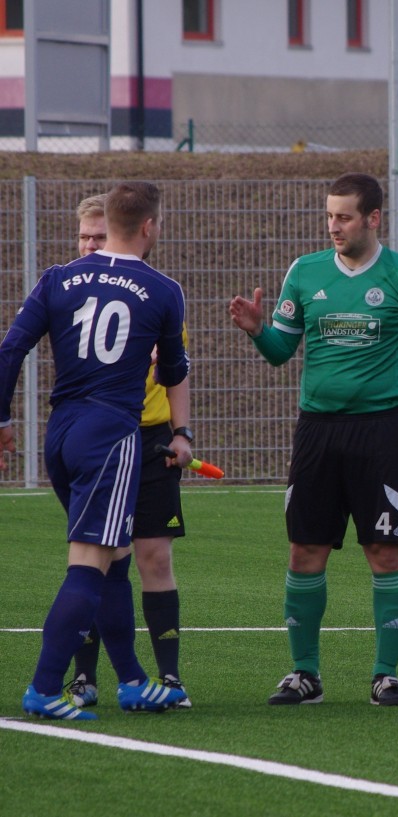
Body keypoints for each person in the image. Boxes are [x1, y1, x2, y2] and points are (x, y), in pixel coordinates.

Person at [228, 172, 398, 707]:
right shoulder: (305, 272)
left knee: (385, 550)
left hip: (381, 434)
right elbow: (283, 351)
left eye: (344, 216)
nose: (333, 226)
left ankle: (385, 675)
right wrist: (261, 331)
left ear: (373, 218)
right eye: (329, 215)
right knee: (305, 549)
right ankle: (304, 675)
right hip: (317, 432)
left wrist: (395, 393)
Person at [0, 181, 191, 720]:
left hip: (61, 432)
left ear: (106, 221)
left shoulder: (58, 278)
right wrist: (182, 432)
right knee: (88, 565)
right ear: (150, 226)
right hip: (111, 436)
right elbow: (173, 370)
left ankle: (131, 680)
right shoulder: (162, 289)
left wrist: (3, 420)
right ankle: (43, 688)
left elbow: (11, 348)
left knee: (113, 562)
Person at [66, 194, 193, 710]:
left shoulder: (159, 295)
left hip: (151, 441)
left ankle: (169, 677)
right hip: (98, 442)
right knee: (96, 559)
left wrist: (183, 434)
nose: (93, 246)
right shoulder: (71, 292)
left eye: (100, 236)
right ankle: (83, 677)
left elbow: (178, 371)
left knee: (153, 556)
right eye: (86, 238)